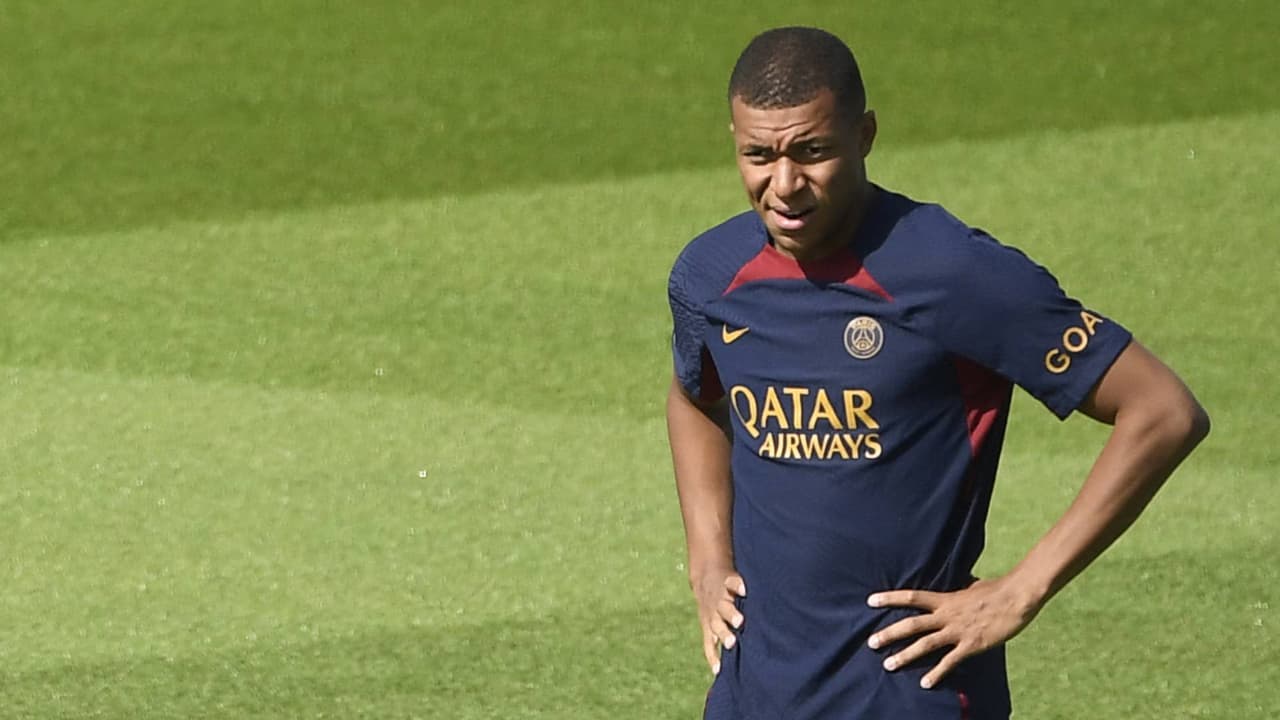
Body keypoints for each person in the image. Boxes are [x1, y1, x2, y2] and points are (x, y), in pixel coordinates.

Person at [665, 26, 1209, 720]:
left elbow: (1162, 411)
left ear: (864, 135)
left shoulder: (955, 272)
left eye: (812, 151)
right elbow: (696, 395)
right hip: (754, 695)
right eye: (759, 156)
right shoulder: (710, 275)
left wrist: (1021, 590)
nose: (785, 184)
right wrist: (708, 557)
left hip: (911, 693)